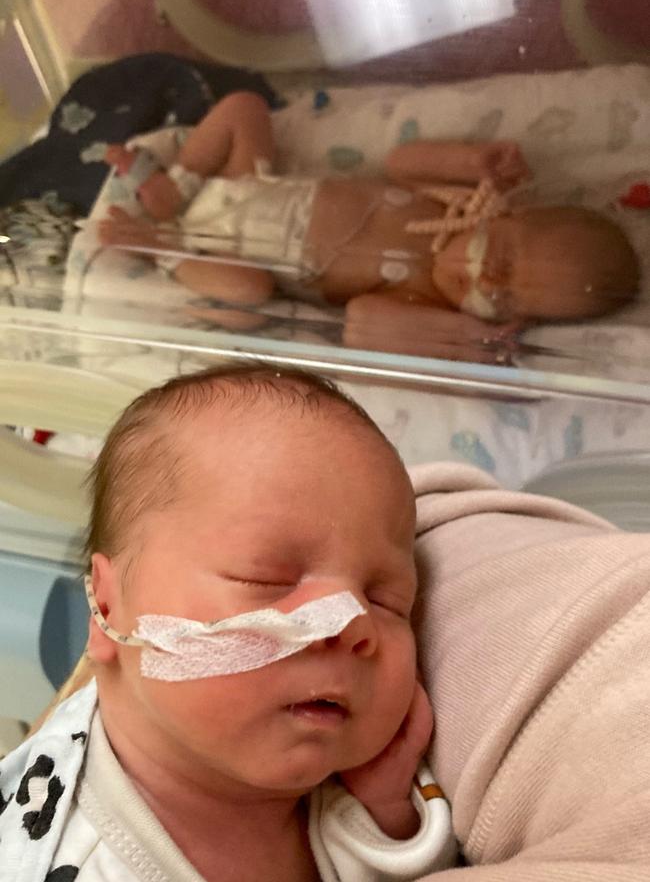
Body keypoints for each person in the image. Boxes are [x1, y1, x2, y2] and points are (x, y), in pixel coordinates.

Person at [0, 363, 456, 882]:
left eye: (386, 599)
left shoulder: (337, 788)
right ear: (105, 610)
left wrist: (386, 814)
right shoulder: (68, 860)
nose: (351, 623)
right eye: (268, 578)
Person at [98, 91, 640, 364]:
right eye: (499, 258)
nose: (485, 281)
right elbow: (402, 160)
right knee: (245, 108)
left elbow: (359, 320)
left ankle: (158, 247)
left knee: (248, 297)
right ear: (502, 214)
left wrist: (448, 337)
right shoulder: (441, 202)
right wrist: (472, 163)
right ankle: (180, 185)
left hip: (233, 253)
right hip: (255, 183)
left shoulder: (423, 298)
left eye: (503, 300)